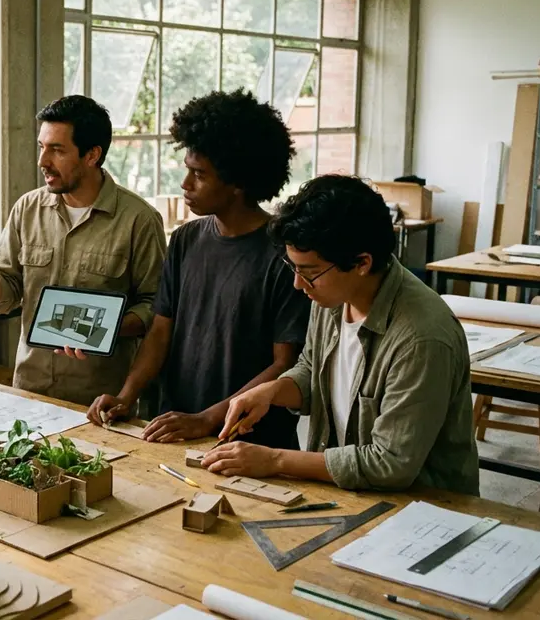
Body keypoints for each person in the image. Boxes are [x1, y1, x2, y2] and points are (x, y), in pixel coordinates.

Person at [205, 175, 479, 494]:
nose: (298, 285)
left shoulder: (421, 338)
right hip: (351, 491)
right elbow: (313, 368)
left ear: (362, 262)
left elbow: (390, 463)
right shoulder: (333, 294)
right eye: (293, 269)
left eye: (309, 273)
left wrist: (276, 460)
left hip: (424, 507)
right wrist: (271, 392)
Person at [87, 89, 310, 448]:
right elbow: (160, 332)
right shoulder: (186, 239)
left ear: (238, 182)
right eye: (187, 169)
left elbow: (284, 365)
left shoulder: (284, 256)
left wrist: (207, 419)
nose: (185, 184)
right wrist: (126, 395)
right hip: (176, 429)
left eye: (199, 174)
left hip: (249, 441)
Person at [0, 95, 166, 405]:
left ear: (92, 155)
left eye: (57, 150)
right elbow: (7, 294)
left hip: (99, 399)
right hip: (30, 389)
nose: (42, 161)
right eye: (42, 147)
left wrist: (97, 330)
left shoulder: (139, 220)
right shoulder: (27, 208)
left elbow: (157, 307)